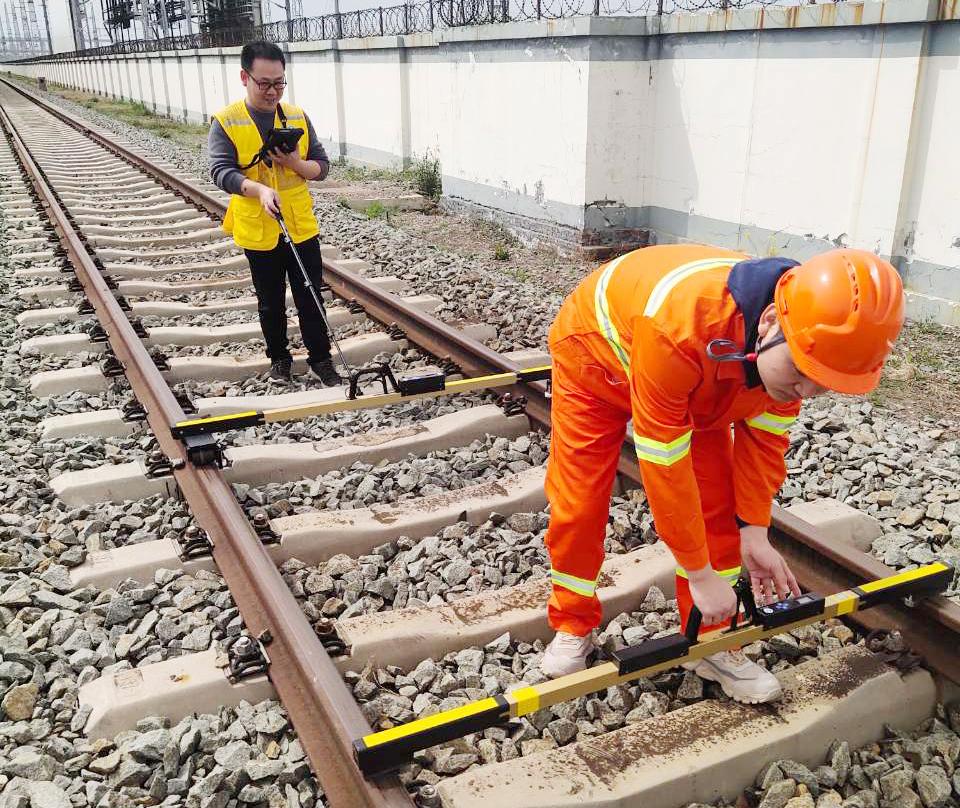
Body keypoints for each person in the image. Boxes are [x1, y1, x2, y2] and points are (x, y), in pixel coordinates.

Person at [539, 244, 904, 703]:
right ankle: (573, 624)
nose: (805, 391)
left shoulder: (801, 343)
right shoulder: (681, 326)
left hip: (700, 376)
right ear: (769, 321)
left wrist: (754, 530)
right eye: (800, 371)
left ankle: (711, 639)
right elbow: (664, 464)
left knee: (720, 505)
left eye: (824, 383)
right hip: (595, 360)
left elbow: (764, 448)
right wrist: (698, 573)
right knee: (580, 502)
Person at [208, 40, 341, 385]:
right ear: (244, 77)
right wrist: (261, 190)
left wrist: (295, 163)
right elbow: (221, 172)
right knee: (269, 301)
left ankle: (321, 359)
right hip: (258, 225)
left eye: (279, 83)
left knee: (310, 294)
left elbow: (322, 167)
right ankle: (279, 359)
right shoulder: (227, 121)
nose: (272, 91)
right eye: (264, 83)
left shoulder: (296, 115)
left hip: (299, 223)